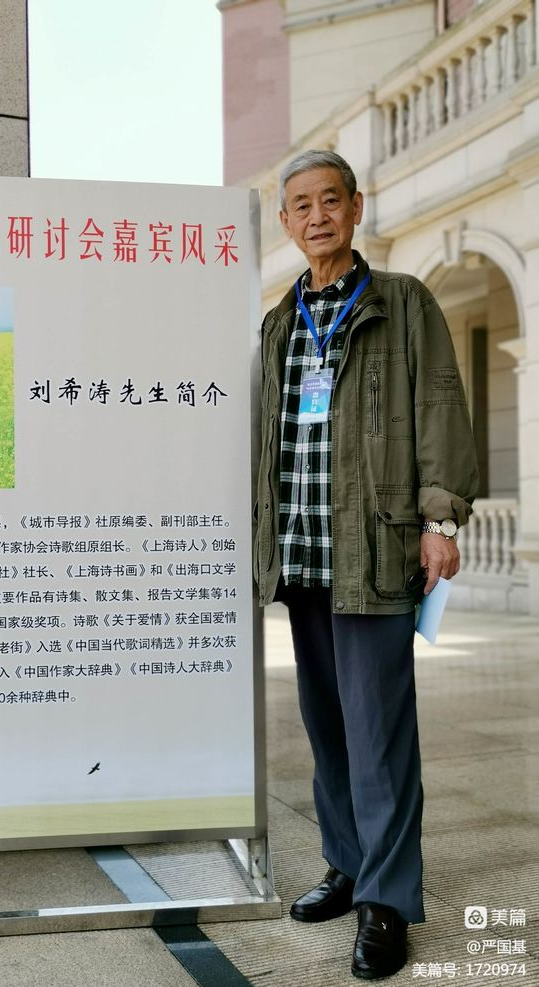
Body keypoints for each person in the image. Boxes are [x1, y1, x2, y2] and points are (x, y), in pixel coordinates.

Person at [254, 150, 478, 980]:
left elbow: (441, 407)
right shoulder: (278, 323)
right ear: (286, 221)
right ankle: (347, 866)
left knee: (378, 731)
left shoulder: (404, 301)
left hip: (376, 549)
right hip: (303, 555)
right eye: (301, 205)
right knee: (327, 725)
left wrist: (440, 517)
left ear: (356, 207)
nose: (316, 216)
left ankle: (387, 898)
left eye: (330, 200)